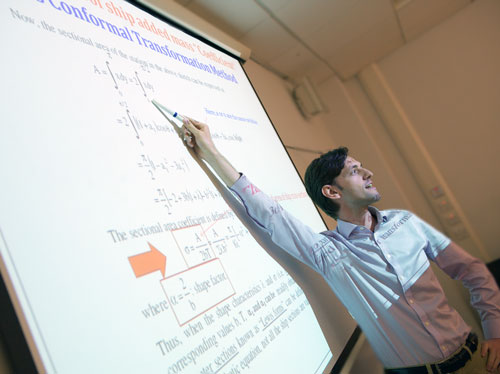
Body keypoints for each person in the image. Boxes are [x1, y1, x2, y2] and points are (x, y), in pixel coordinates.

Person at [180, 117, 500, 374]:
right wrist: (211, 152)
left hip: (477, 361)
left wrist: (495, 330)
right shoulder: (329, 252)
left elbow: (472, 271)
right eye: (355, 171)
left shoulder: (406, 223)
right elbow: (271, 213)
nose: (369, 172)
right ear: (332, 192)